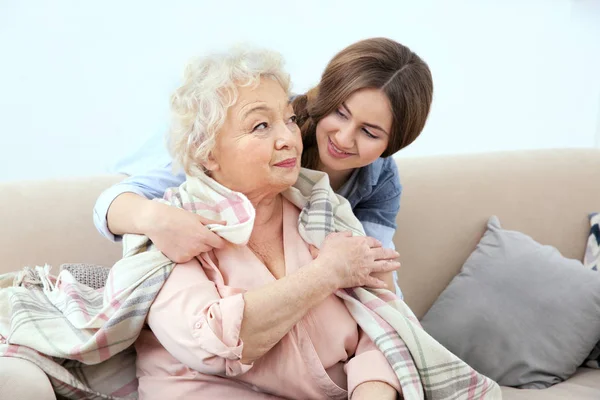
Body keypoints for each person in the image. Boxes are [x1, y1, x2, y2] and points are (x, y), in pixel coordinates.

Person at [133, 46, 402, 399]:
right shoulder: (175, 227)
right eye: (261, 125)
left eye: (289, 120)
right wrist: (328, 272)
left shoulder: (327, 209)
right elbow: (211, 344)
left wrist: (372, 391)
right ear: (207, 152)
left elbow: (384, 326)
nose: (288, 138)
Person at [93, 37, 434, 295]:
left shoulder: (379, 179)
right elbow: (114, 201)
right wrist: (157, 219)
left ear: (393, 142)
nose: (344, 138)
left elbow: (377, 270)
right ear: (325, 96)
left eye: (369, 132)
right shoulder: (271, 127)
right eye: (340, 113)